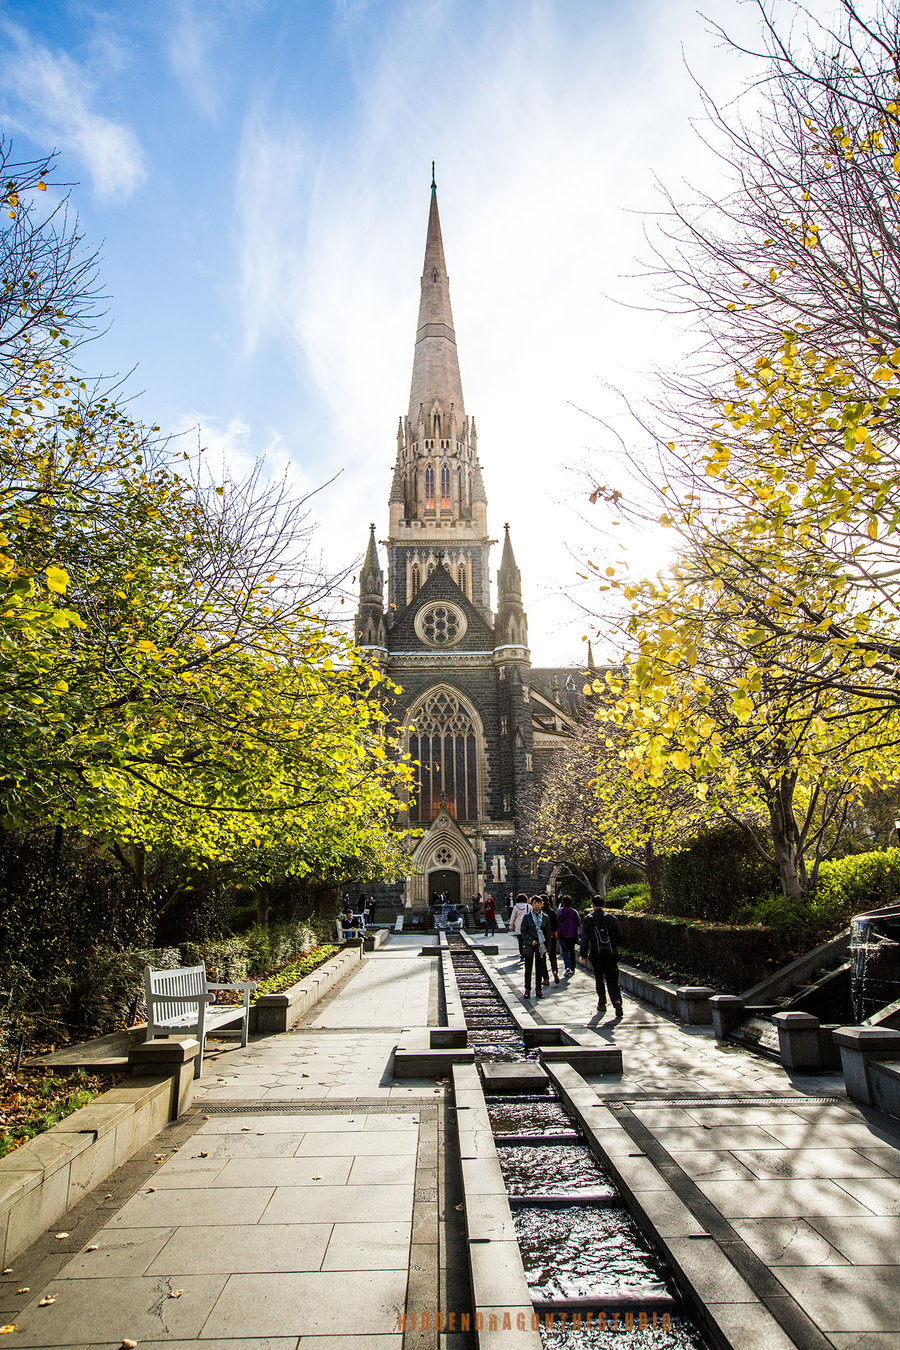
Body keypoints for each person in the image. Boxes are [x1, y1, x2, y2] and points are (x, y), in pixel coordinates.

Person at [579, 895, 624, 1017]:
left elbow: (584, 938)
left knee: (599, 978)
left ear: (592, 905)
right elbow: (620, 935)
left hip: (596, 954)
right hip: (611, 954)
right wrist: (614, 946)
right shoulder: (612, 918)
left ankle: (602, 1003)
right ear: (604, 905)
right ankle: (617, 1001)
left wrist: (582, 954)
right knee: (612, 979)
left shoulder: (589, 919)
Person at [520, 895, 551, 999]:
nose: (536, 905)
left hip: (541, 945)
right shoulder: (527, 917)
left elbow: (547, 933)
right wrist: (530, 940)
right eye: (534, 903)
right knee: (528, 968)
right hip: (530, 945)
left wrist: (548, 948)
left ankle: (538, 989)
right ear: (531, 905)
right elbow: (523, 931)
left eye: (538, 903)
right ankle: (527, 989)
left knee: (540, 968)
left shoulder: (545, 918)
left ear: (542, 904)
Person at [556, 896, 582, 977]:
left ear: (563, 902)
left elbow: (557, 921)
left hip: (562, 933)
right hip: (572, 934)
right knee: (572, 951)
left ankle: (567, 967)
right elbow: (579, 923)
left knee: (564, 951)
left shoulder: (560, 911)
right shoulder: (574, 912)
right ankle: (573, 968)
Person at [543, 893, 561, 985]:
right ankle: (555, 971)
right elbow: (557, 925)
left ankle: (546, 978)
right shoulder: (552, 912)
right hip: (552, 936)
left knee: (542, 958)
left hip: (542, 938)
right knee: (552, 956)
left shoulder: (541, 913)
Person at [509, 893, 530, 961]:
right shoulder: (529, 907)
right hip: (527, 926)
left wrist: (511, 925)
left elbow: (513, 917)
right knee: (527, 941)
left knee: (520, 942)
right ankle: (527, 953)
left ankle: (522, 955)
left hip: (518, 926)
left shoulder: (515, 907)